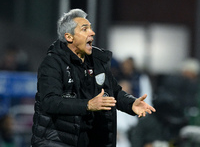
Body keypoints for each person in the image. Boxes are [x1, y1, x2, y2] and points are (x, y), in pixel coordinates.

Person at [31, 9, 156, 147]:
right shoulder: (52, 63)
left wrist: (131, 104)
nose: (92, 33)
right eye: (85, 29)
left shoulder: (97, 62)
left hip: (91, 140)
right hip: (56, 142)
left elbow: (114, 92)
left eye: (90, 28)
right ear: (69, 37)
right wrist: (87, 105)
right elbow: (50, 102)